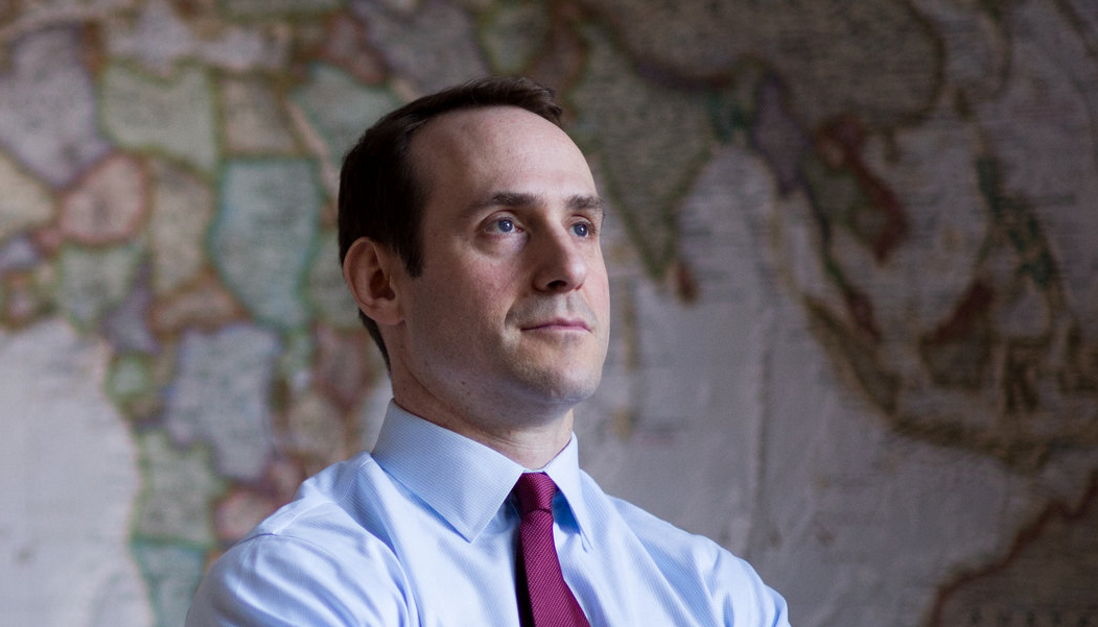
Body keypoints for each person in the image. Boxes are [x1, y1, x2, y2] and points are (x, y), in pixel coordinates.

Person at [185, 76, 791, 626]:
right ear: (381, 282)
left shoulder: (719, 595)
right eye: (504, 224)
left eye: (582, 227)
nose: (570, 267)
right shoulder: (294, 583)